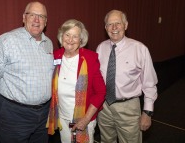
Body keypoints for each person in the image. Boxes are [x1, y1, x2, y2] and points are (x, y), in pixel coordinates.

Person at [0, 1, 54, 143]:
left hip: (44, 115)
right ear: (24, 17)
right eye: (32, 15)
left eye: (41, 16)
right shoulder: (7, 41)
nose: (37, 20)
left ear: (46, 21)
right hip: (14, 114)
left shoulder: (49, 43)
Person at [96, 9, 158, 143]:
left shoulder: (140, 49)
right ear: (105, 27)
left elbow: (149, 83)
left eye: (118, 23)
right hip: (104, 107)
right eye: (110, 24)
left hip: (128, 108)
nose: (114, 28)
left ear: (126, 25)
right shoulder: (101, 48)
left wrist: (147, 112)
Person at [46, 19, 106, 143]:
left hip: (84, 118)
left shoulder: (90, 58)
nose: (70, 39)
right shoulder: (55, 55)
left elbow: (101, 92)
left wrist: (86, 119)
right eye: (67, 35)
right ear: (61, 37)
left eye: (75, 36)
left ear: (81, 40)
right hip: (62, 117)